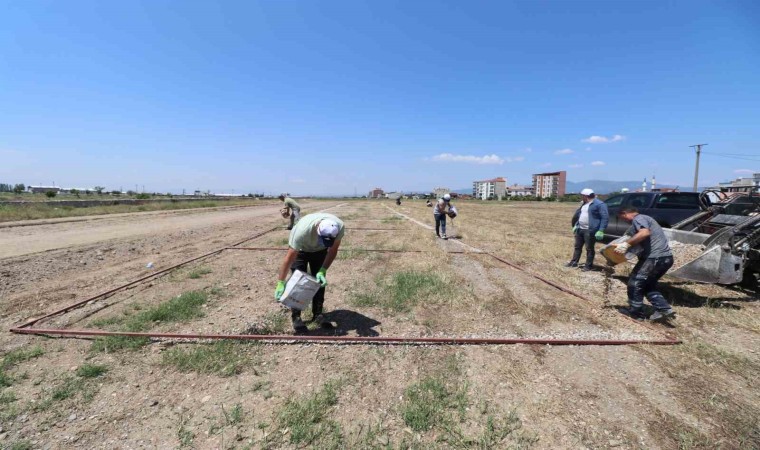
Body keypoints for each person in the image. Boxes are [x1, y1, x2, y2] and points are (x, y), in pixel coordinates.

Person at [274, 212, 345, 333]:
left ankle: (318, 314)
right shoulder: (302, 231)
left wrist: (323, 270)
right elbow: (289, 258)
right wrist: (281, 282)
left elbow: (333, 250)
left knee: (319, 283)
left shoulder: (339, 227)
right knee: (298, 282)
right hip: (301, 250)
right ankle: (296, 317)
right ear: (317, 229)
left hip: (320, 252)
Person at [614, 207, 676, 322]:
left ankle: (635, 313)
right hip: (665, 258)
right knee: (648, 285)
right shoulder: (645, 220)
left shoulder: (639, 218)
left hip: (654, 259)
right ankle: (664, 309)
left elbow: (644, 233)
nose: (624, 221)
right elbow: (638, 245)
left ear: (625, 213)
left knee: (635, 282)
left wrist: (626, 245)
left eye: (622, 218)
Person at [567, 188, 609, 271]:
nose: (581, 197)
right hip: (580, 229)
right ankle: (574, 262)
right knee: (577, 247)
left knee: (589, 248)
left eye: (582, 196)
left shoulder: (599, 204)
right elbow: (580, 215)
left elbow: (605, 218)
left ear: (585, 196)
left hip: (590, 230)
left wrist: (601, 230)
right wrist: (576, 225)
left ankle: (588, 266)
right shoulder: (584, 204)